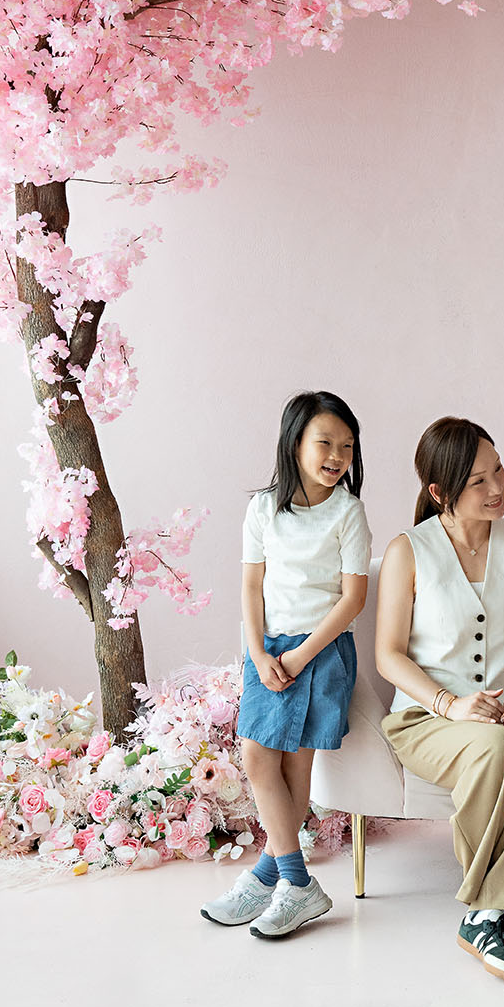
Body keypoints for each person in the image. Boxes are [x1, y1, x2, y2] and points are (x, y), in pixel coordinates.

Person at [376, 417, 504, 984]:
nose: (497, 487)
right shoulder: (407, 551)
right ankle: (490, 912)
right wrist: (449, 705)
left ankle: (496, 912)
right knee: (493, 748)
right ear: (440, 492)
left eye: (499, 470)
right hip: (428, 717)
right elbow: (389, 655)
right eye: (479, 481)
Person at [201, 390, 371, 938]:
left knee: (293, 764)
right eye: (325, 442)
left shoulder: (348, 511)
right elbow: (251, 586)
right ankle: (290, 880)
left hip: (318, 653)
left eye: (347, 446)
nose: (337, 455)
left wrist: (299, 654)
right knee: (258, 754)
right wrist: (258, 652)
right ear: (294, 443)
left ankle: (276, 877)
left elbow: (352, 599)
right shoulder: (262, 508)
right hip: (266, 650)